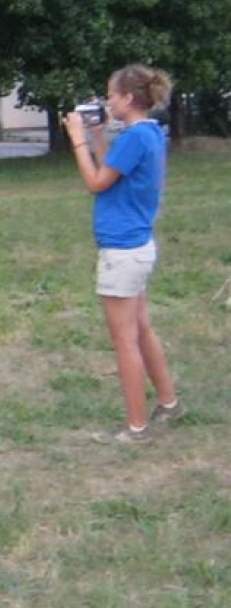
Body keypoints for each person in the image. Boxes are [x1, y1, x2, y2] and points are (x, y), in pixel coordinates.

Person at [65, 65, 181, 444]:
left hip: (122, 249)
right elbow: (112, 168)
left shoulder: (135, 137)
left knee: (125, 339)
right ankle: (168, 403)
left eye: (111, 95)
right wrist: (98, 136)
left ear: (128, 99)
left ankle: (136, 428)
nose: (106, 101)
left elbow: (96, 182)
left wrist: (78, 140)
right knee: (142, 329)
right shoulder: (146, 133)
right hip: (138, 245)